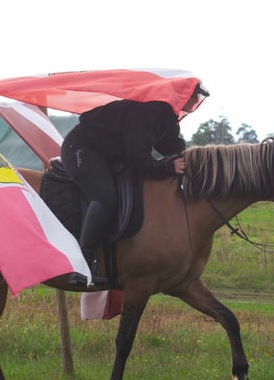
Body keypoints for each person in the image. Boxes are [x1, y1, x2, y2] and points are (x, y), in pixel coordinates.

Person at [61, 83, 208, 286]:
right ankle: (81, 266)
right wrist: (168, 169)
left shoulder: (165, 116)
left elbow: (171, 145)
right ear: (181, 95)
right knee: (104, 198)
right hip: (80, 148)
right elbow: (137, 156)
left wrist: (190, 159)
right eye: (192, 97)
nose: (193, 102)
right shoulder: (148, 112)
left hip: (104, 154)